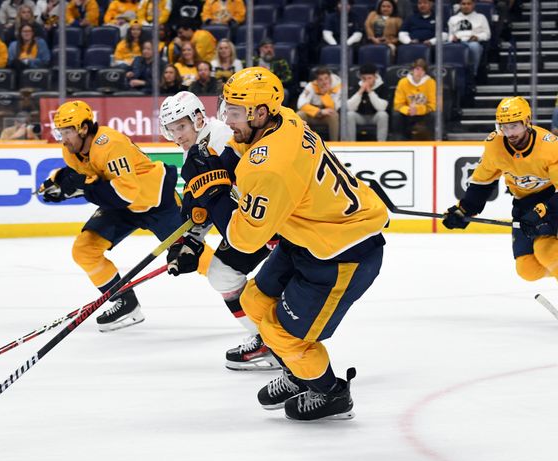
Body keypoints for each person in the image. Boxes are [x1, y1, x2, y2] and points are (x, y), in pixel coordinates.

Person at [181, 67, 387, 420]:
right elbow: (240, 152)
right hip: (309, 236)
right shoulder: (284, 118)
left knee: (285, 336)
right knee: (254, 301)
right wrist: (215, 169)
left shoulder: (271, 166)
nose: (226, 120)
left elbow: (244, 240)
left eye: (234, 112)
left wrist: (212, 191)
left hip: (342, 253)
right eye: (226, 108)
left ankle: (332, 393)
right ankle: (297, 371)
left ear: (260, 113)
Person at [38, 100, 197, 332]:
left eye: (68, 131)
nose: (64, 138)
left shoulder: (109, 143)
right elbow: (84, 174)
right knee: (84, 250)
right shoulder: (70, 150)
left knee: (192, 254)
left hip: (155, 201)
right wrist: (59, 183)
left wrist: (81, 188)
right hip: (121, 204)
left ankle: (238, 288)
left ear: (83, 128)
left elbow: (124, 194)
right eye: (60, 132)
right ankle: (125, 302)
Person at [159, 90, 280, 370]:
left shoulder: (226, 137)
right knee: (222, 275)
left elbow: (233, 189)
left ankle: (280, 341)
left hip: (272, 220)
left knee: (274, 282)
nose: (177, 135)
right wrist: (188, 243)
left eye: (181, 126)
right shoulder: (194, 152)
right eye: (171, 130)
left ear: (198, 119)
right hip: (246, 222)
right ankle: (265, 339)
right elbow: (202, 206)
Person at [442, 97, 558, 284]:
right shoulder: (495, 145)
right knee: (527, 269)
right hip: (523, 204)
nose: (509, 133)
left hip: (551, 200)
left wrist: (541, 211)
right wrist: (463, 209)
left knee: (547, 250)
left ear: (527, 121)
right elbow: (482, 182)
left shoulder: (550, 147)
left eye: (514, 126)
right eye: (504, 127)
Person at [391, 57, 435, 140]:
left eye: (422, 70)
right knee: (396, 115)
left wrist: (418, 110)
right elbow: (398, 104)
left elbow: (432, 105)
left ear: (425, 72)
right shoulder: (403, 82)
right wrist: (408, 110)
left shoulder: (431, 82)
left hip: (424, 113)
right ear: (412, 70)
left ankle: (432, 139)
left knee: (434, 114)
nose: (419, 72)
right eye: (417, 69)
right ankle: (399, 139)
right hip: (407, 113)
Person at [346, 63, 389, 141]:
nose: (367, 81)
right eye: (364, 78)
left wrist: (370, 92)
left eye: (369, 78)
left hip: (375, 116)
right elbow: (350, 107)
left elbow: (381, 108)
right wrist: (360, 92)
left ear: (375, 77)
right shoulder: (357, 87)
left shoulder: (383, 87)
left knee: (383, 115)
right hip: (360, 117)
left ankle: (381, 144)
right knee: (349, 115)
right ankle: (350, 144)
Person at [297, 67, 342, 141]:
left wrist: (325, 94)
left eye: (326, 78)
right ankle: (298, 143)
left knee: (334, 115)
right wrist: (319, 111)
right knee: (299, 114)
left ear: (330, 78)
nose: (324, 82)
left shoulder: (337, 87)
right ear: (316, 81)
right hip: (312, 114)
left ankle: (334, 143)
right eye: (320, 79)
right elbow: (300, 104)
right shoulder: (311, 86)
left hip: (327, 116)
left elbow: (335, 108)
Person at [447, 0, 490, 77]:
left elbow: (487, 34)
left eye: (468, 4)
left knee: (474, 46)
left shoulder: (481, 17)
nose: (466, 6)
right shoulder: (453, 19)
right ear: (460, 5)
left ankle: (472, 73)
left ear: (473, 5)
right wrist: (452, 38)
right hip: (457, 43)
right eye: (463, 4)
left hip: (473, 42)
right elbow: (449, 35)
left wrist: (478, 37)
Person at [254, 38, 293, 105]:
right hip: (255, 87)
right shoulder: (254, 61)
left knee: (285, 92)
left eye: (271, 47)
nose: (269, 50)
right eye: (266, 47)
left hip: (274, 88)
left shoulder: (280, 62)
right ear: (260, 49)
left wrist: (274, 81)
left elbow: (288, 77)